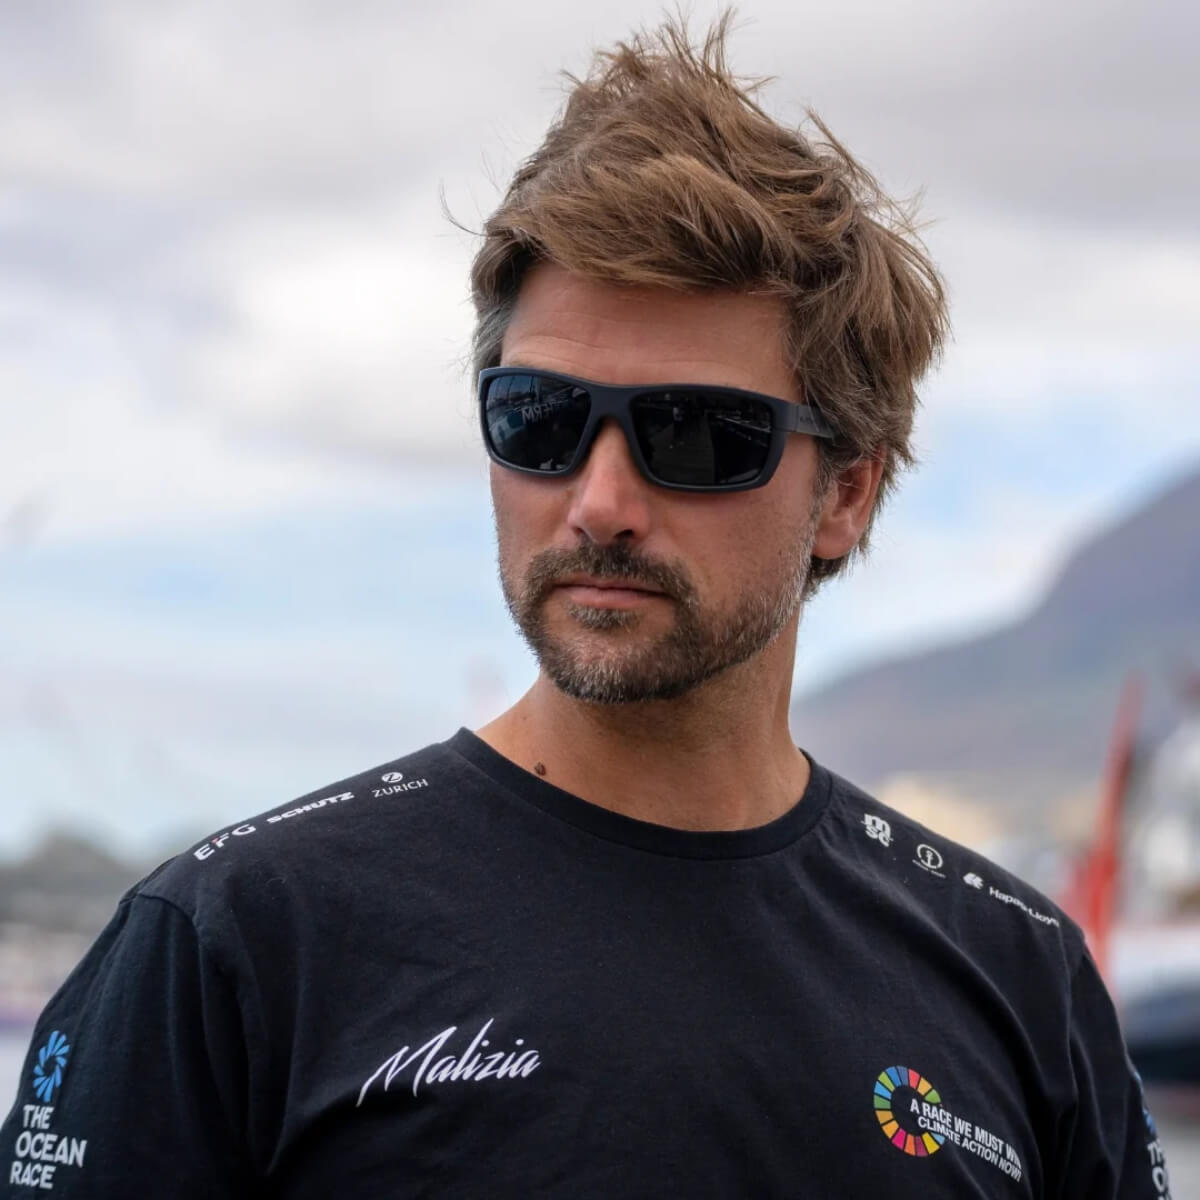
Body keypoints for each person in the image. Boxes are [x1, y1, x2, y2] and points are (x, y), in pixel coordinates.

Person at [2, 16, 1172, 1199]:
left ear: (847, 494)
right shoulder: (236, 943)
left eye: (695, 434)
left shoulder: (1017, 974)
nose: (600, 502)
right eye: (540, 420)